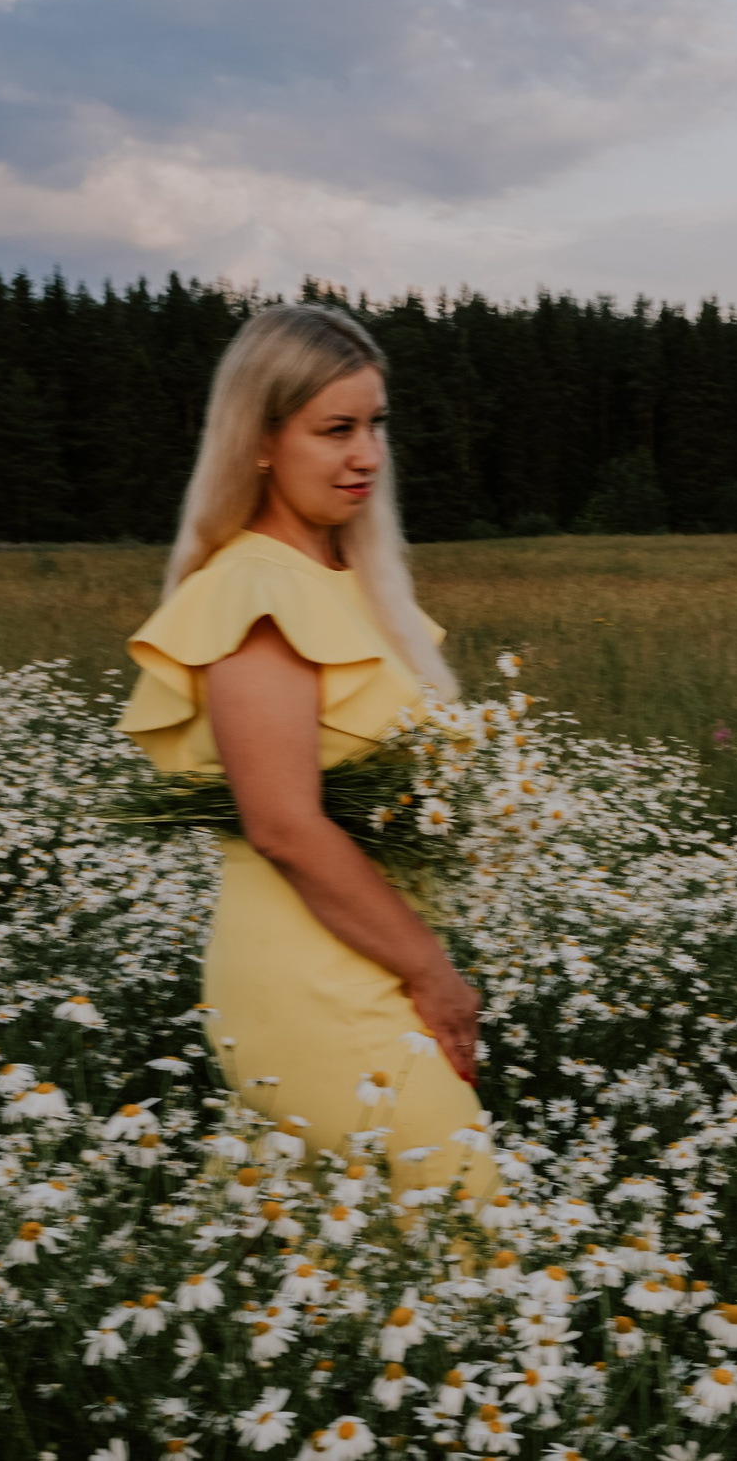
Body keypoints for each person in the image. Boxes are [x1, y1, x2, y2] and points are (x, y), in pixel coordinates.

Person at [117, 302, 491, 1196]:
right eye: (335, 430)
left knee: (328, 1248)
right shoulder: (258, 591)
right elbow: (283, 824)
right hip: (314, 974)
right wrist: (434, 973)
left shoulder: (343, 584)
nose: (367, 455)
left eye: (375, 425)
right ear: (260, 439)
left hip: (361, 954)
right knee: (464, 1214)